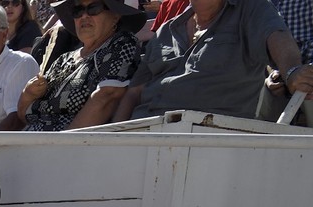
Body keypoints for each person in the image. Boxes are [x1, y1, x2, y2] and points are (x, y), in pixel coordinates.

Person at [118, 0, 312, 119]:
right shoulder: (167, 30)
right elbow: (134, 93)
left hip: (208, 137)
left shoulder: (252, 9)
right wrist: (113, 137)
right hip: (144, 133)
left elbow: (277, 37)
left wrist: (292, 72)